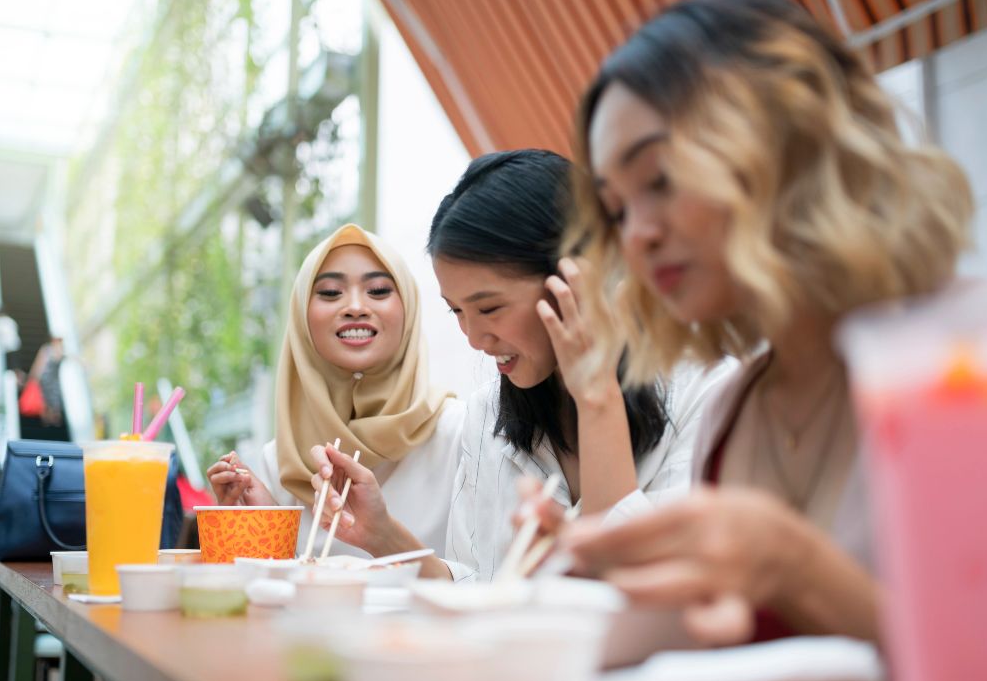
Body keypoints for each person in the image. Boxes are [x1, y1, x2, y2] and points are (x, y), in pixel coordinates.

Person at [532, 0, 971, 644]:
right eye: (617, 210)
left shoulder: (976, 361)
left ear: (787, 141)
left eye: (660, 179)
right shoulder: (733, 410)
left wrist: (796, 567)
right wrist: (596, 566)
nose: (637, 236)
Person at [315, 149, 716, 581]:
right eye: (457, 312)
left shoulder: (706, 392)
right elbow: (477, 589)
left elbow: (635, 598)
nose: (474, 337)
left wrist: (596, 397)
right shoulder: (488, 413)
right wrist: (383, 535)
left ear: (576, 279)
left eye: (489, 308)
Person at [206, 224, 463, 568]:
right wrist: (264, 532)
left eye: (378, 290)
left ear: (409, 308)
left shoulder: (459, 434)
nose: (355, 307)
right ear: (301, 318)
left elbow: (487, 583)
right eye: (329, 293)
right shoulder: (279, 459)